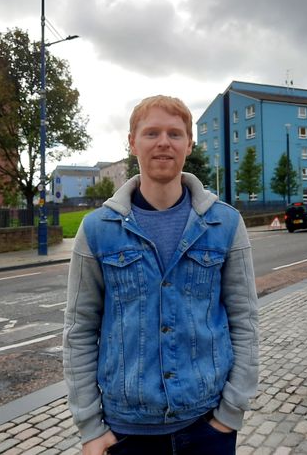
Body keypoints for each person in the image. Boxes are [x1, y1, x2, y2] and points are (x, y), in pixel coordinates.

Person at [63, 95, 259, 455]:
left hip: (206, 426)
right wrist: (90, 427)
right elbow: (79, 331)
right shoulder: (96, 230)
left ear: (189, 144)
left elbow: (244, 320)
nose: (163, 142)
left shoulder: (225, 223)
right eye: (151, 133)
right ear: (132, 142)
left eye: (174, 133)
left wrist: (229, 415)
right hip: (125, 432)